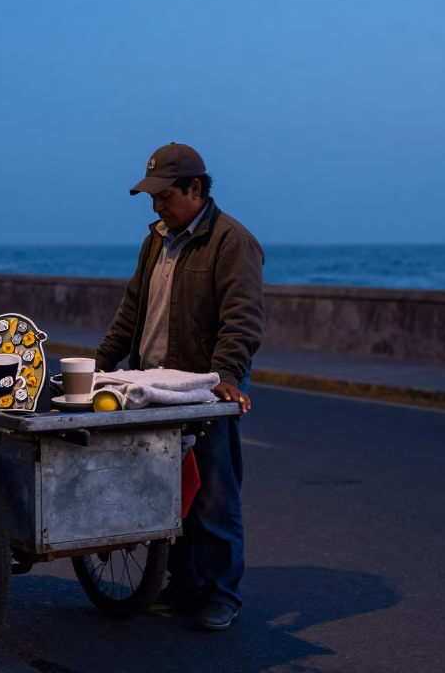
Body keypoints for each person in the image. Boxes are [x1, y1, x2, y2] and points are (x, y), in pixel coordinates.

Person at [95, 142, 265, 631]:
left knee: (213, 493)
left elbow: (242, 320)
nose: (156, 206)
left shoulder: (232, 242)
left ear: (196, 189)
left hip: (201, 387)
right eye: (151, 198)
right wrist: (100, 365)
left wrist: (226, 377)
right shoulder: (155, 240)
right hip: (152, 387)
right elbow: (132, 311)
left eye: (164, 196)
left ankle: (221, 594)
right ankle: (182, 583)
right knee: (167, 491)